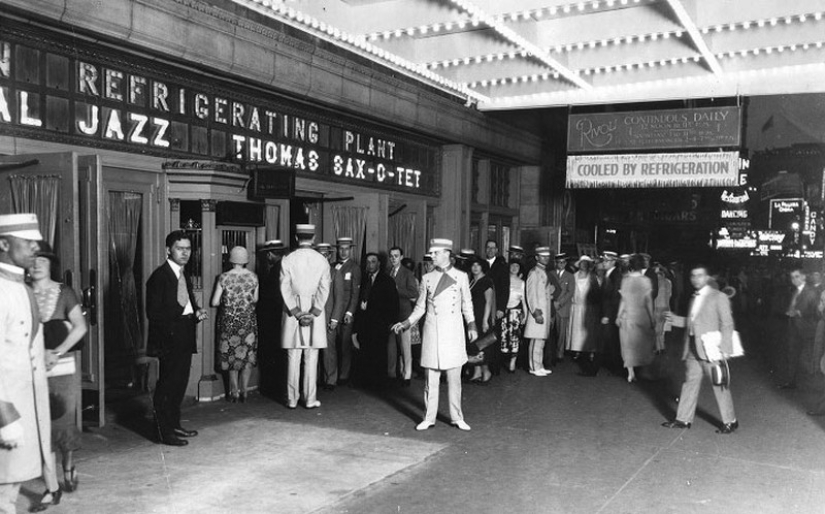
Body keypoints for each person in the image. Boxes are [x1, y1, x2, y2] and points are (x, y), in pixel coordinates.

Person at [392, 238, 477, 431]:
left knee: (454, 379)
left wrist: (471, 325)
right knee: (431, 378)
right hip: (433, 332)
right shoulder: (427, 278)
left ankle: (457, 417)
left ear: (447, 254)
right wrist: (407, 322)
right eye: (432, 253)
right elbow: (420, 306)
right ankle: (429, 417)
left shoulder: (461, 276)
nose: (432, 256)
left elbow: (467, 304)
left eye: (435, 253)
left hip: (453, 332)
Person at [0, 214, 54, 514]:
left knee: (11, 481)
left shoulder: (21, 284)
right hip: (8, 405)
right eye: (28, 242)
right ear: (4, 243)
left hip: (26, 399)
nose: (36, 248)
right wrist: (5, 414)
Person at [30, 243, 88, 504]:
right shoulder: (22, 292)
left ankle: (68, 465)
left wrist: (57, 351)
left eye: (42, 259)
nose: (36, 264)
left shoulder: (64, 292)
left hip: (62, 366)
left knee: (62, 420)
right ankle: (51, 486)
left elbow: (80, 327)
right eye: (32, 259)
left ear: (49, 263)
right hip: (32, 366)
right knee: (40, 425)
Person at [146, 230, 208, 446]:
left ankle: (173, 425)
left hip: (185, 333)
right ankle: (163, 433)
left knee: (179, 383)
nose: (185, 253)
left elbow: (187, 301)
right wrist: (177, 319)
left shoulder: (183, 274)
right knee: (167, 384)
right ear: (168, 250)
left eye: (188, 248)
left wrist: (196, 311)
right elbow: (153, 313)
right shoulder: (159, 276)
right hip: (169, 338)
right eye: (180, 248)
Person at [662, 264, 739, 434]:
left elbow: (727, 323)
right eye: (693, 276)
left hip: (711, 350)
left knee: (719, 385)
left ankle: (730, 421)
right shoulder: (693, 298)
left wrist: (725, 347)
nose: (696, 279)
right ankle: (683, 419)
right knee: (689, 383)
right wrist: (675, 320)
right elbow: (694, 323)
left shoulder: (718, 297)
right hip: (692, 348)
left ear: (708, 278)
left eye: (700, 275)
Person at [280, 224, 331, 409]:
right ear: (314, 237)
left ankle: (292, 399)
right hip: (315, 311)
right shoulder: (322, 260)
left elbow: (284, 288)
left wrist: (296, 312)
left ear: (296, 237)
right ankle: (310, 399)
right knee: (311, 356)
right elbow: (325, 289)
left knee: (293, 356)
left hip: (292, 310)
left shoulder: (288, 259)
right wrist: (314, 311)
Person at [211, 246, 258, 403]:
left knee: (232, 356)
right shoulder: (253, 277)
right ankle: (244, 390)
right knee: (247, 355)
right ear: (246, 260)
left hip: (229, 321)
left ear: (230, 259)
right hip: (247, 320)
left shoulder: (224, 277)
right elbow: (256, 299)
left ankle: (234, 391)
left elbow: (215, 301)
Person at [354, 253, 399, 388]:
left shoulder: (387, 281)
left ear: (379, 263)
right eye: (368, 262)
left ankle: (379, 384)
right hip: (366, 324)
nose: (370, 265)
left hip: (380, 325)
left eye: (373, 262)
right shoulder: (364, 280)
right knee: (366, 353)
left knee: (379, 355)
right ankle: (367, 382)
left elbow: (394, 304)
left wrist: (388, 323)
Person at [777, 267, 820, 390]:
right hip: (794, 328)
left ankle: (811, 387)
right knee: (792, 356)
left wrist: (800, 313)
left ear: (803, 277)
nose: (794, 280)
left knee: (807, 359)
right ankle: (791, 382)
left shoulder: (811, 291)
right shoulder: (796, 291)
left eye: (796, 276)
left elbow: (816, 312)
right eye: (792, 277)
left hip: (807, 330)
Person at [615, 254, 655, 383]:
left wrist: (618, 315)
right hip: (642, 315)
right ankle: (641, 371)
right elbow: (648, 301)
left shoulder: (625, 280)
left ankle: (630, 372)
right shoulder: (645, 281)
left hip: (628, 315)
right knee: (642, 344)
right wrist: (652, 317)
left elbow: (623, 300)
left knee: (627, 344)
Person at [256, 239, 286, 396]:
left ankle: (272, 387)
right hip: (280, 317)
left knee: (272, 352)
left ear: (269, 254)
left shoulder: (275, 270)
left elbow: (271, 297)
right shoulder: (283, 267)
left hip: (272, 318)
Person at [387, 247, 418, 387]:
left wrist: (397, 290)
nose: (393, 258)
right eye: (391, 256)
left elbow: (413, 293)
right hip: (391, 314)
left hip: (404, 314)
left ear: (401, 257)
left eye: (396, 256)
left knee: (405, 347)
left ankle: (407, 375)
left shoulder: (407, 273)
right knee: (392, 347)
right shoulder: (388, 272)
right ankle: (393, 374)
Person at [332, 237, 361, 386]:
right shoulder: (332, 266)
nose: (343, 252)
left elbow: (355, 294)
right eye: (341, 249)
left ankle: (344, 375)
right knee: (333, 345)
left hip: (345, 313)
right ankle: (333, 374)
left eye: (346, 249)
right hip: (333, 312)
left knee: (345, 345)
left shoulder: (354, 268)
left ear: (350, 250)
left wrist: (350, 312)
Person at [523, 247, 555, 377]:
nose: (546, 259)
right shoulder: (534, 272)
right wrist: (536, 313)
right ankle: (534, 367)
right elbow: (531, 295)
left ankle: (539, 365)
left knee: (541, 340)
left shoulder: (543, 271)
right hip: (538, 312)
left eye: (547, 256)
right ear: (537, 257)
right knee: (536, 340)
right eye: (542, 256)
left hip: (544, 310)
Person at [568, 256, 602, 376]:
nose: (584, 265)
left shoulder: (593, 277)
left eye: (586, 264)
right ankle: (578, 352)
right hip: (576, 307)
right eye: (582, 263)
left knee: (587, 331)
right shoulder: (574, 276)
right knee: (577, 331)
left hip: (589, 308)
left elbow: (597, 293)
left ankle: (587, 353)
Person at [320, 243, 346, 392]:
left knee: (329, 350)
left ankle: (330, 379)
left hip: (329, 317)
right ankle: (318, 378)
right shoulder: (312, 272)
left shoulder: (335, 273)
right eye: (320, 254)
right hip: (315, 317)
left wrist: (335, 318)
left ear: (329, 256)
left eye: (325, 254)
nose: (323, 257)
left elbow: (339, 298)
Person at [467, 256, 495, 384]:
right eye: (473, 265)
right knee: (473, 345)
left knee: (482, 345)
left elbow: (489, 302)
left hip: (482, 316)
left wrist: (485, 320)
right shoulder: (472, 281)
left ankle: (486, 371)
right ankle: (477, 372)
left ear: (482, 266)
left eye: (478, 265)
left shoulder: (486, 281)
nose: (475, 267)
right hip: (472, 317)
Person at [500, 260, 527, 373]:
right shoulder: (503, 280)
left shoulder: (521, 283)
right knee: (503, 338)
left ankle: (512, 363)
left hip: (515, 313)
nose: (514, 268)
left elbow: (524, 300)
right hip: (503, 313)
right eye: (512, 265)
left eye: (517, 266)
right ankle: (500, 362)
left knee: (515, 338)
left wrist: (525, 315)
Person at [598, 251, 623, 376]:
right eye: (603, 260)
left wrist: (606, 315)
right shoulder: (608, 274)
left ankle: (595, 368)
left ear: (613, 261)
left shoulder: (615, 275)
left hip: (610, 313)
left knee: (607, 340)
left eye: (606, 261)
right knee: (610, 341)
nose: (604, 263)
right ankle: (614, 367)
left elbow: (613, 297)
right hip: (608, 312)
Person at [653, 264, 673, 353]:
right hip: (666, 307)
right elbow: (670, 295)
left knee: (657, 328)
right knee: (662, 329)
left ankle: (658, 348)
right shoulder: (668, 282)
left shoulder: (654, 282)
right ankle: (662, 347)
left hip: (656, 307)